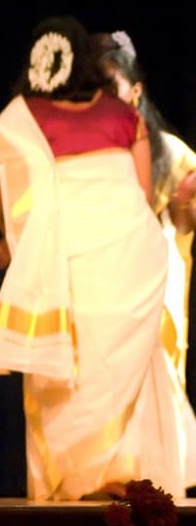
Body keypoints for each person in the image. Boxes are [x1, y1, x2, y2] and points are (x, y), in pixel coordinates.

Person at [0, 16, 182, 500]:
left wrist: (17, 244)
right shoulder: (123, 115)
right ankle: (124, 477)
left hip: (65, 260)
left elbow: (6, 201)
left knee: (70, 369)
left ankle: (68, 486)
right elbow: (142, 195)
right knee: (121, 366)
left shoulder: (20, 118)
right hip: (130, 257)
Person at [95, 29, 196, 489]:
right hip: (102, 264)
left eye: (112, 88)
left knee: (154, 360)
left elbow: (184, 221)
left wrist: (188, 203)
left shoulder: (169, 151)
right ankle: (110, 469)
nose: (104, 100)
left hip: (153, 265)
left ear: (135, 90)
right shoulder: (92, 146)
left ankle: (156, 471)